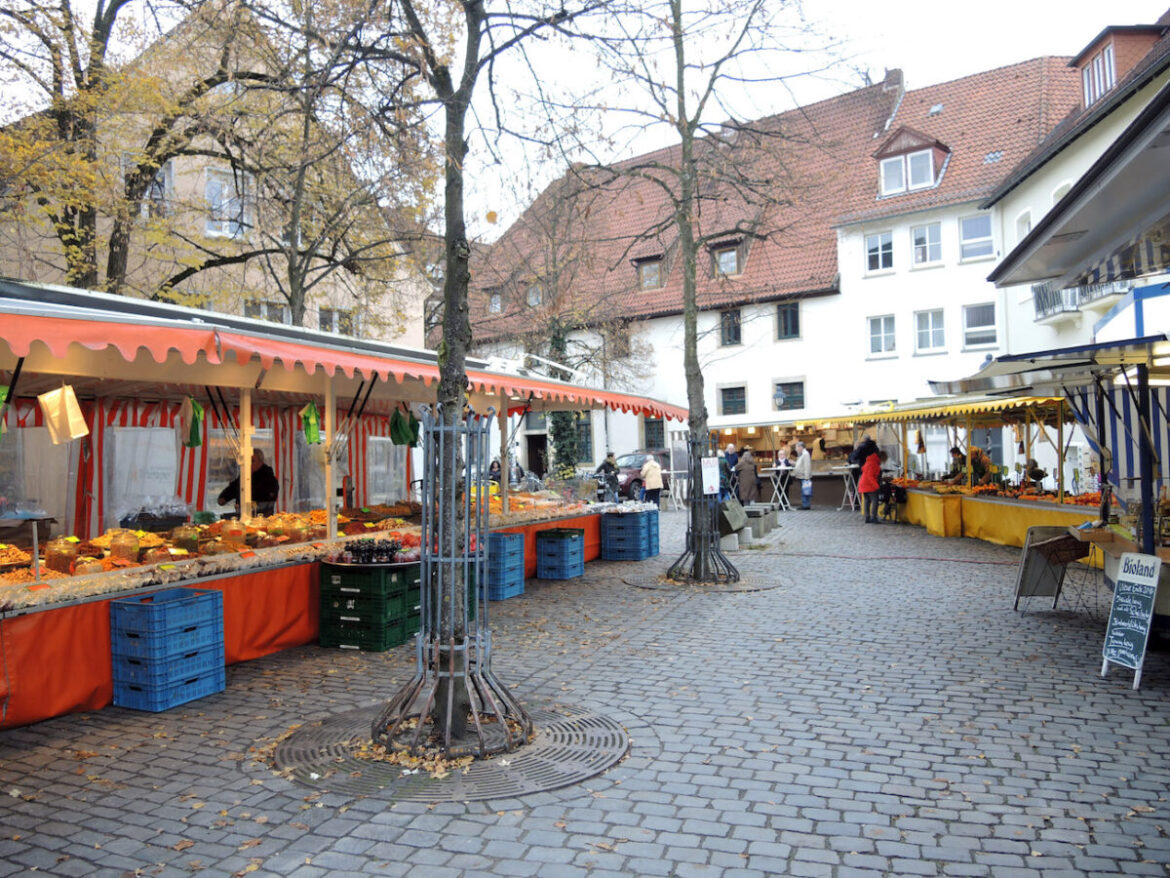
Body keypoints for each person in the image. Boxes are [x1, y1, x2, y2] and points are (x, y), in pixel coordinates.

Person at [217, 448, 279, 516]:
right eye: (247, 461)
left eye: (252, 461)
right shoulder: (244, 477)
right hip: (243, 515)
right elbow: (233, 489)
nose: (249, 464)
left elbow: (267, 500)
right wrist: (224, 497)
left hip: (262, 517)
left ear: (261, 462)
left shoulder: (270, 479)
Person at [858, 448, 883, 523]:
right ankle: (874, 517)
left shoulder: (869, 461)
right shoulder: (874, 463)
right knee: (875, 500)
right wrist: (877, 486)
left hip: (863, 484)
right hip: (869, 485)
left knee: (867, 501)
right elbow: (870, 477)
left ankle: (867, 517)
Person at [793, 440, 813, 509]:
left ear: (800, 447)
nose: (796, 449)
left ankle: (806, 505)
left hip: (804, 476)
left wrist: (807, 477)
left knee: (805, 491)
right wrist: (794, 463)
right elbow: (800, 464)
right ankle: (806, 504)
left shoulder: (805, 454)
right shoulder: (802, 454)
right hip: (802, 476)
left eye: (796, 447)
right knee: (805, 491)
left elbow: (807, 466)